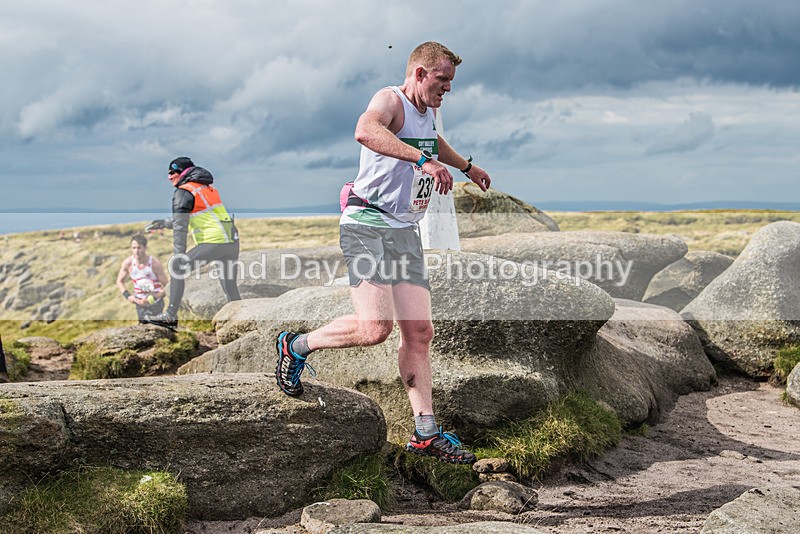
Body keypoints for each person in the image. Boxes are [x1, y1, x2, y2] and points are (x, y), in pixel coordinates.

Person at [275, 42, 491, 464]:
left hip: (403, 231)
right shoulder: (389, 99)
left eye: (451, 81)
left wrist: (466, 166)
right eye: (442, 79)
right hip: (367, 224)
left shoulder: (427, 112)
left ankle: (425, 434)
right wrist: (423, 162)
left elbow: (431, 140)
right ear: (419, 73)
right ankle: (296, 346)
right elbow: (366, 131)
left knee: (419, 332)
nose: (448, 87)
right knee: (374, 328)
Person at [143, 157, 241, 328]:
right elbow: (196, 217)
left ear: (182, 172)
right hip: (231, 241)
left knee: (176, 268)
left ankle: (170, 316)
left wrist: (179, 257)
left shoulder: (183, 192)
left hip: (214, 242)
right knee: (230, 290)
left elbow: (181, 230)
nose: (169, 177)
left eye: (172, 172)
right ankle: (240, 320)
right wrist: (165, 223)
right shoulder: (205, 188)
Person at [116, 234, 168, 324]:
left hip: (155, 303)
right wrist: (128, 296)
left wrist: (155, 296)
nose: (136, 251)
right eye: (134, 248)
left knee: (156, 327)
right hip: (139, 303)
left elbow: (167, 286)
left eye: (139, 248)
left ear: (145, 248)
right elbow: (120, 281)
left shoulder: (154, 264)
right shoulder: (128, 263)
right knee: (143, 326)